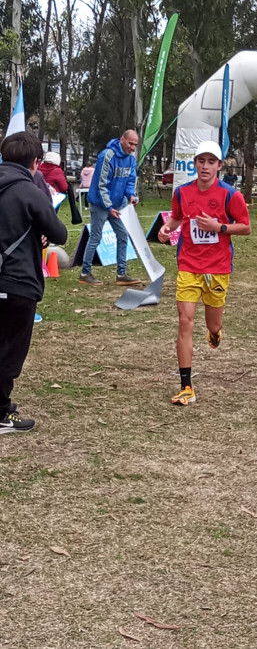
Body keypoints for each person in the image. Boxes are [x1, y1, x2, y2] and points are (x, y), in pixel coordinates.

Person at [158, 140, 251, 406]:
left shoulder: (231, 195)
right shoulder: (182, 192)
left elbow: (245, 227)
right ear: (195, 163)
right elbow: (177, 217)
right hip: (188, 265)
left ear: (220, 166)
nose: (205, 166)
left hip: (218, 268)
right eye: (201, 161)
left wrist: (218, 227)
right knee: (185, 322)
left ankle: (215, 333)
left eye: (211, 162)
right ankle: (186, 386)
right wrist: (167, 229)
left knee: (213, 324)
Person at [0, 132, 67, 433]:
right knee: (11, 351)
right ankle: (1, 413)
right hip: (18, 282)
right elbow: (60, 234)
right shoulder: (30, 191)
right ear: (36, 163)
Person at [79, 129, 141, 286]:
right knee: (96, 237)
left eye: (135, 145)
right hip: (100, 204)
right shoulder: (107, 155)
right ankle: (85, 273)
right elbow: (101, 185)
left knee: (122, 235)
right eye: (130, 143)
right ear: (122, 140)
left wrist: (131, 196)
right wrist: (108, 207)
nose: (133, 148)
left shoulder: (131, 159)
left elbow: (130, 180)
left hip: (118, 205)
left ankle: (121, 274)